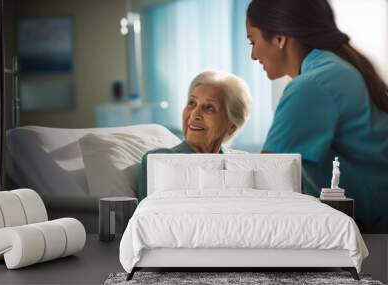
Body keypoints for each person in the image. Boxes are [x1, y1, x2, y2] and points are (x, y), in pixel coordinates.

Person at [246, 0, 388, 233]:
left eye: (253, 41)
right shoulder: (335, 69)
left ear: (280, 39)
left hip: (375, 236)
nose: (253, 55)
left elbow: (263, 179)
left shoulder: (311, 86)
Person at [136, 70, 252, 202]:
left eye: (209, 107)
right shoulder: (157, 161)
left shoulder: (243, 162)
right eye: (192, 103)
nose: (194, 114)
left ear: (231, 126)